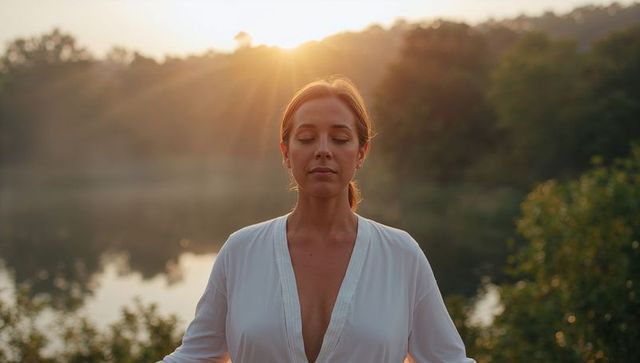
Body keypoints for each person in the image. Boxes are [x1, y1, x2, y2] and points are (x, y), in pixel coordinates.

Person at [160, 76, 474, 363]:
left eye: (339, 139)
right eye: (307, 138)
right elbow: (195, 357)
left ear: (361, 152)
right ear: (286, 152)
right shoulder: (241, 251)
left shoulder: (401, 255)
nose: (323, 150)